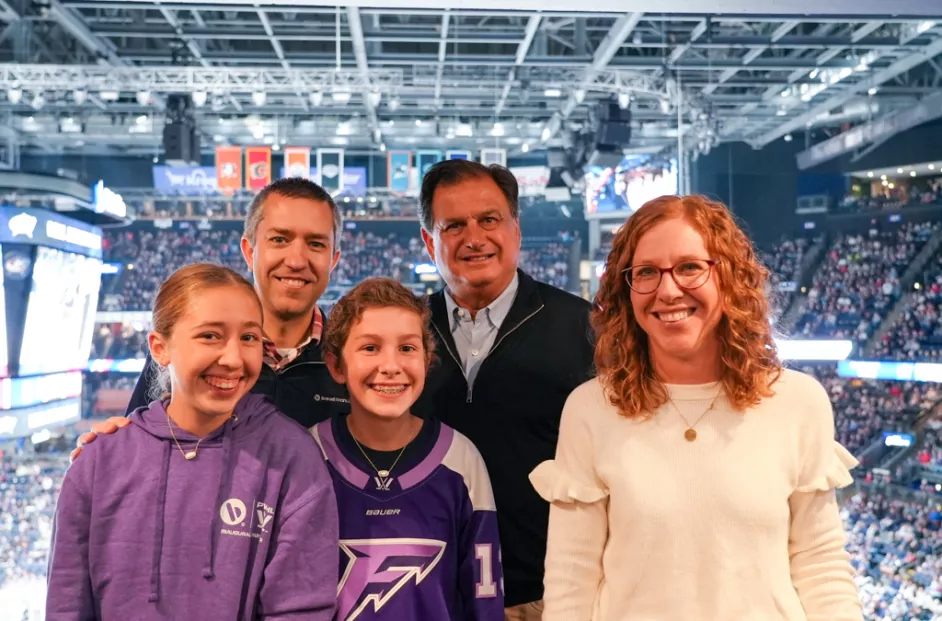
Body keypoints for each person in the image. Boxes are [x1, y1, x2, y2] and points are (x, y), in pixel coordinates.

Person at [530, 195, 863, 621]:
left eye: (689, 267)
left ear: (729, 277)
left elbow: (820, 564)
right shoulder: (591, 409)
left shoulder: (799, 402)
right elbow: (571, 581)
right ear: (625, 291)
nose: (668, 291)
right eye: (646, 272)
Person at [47, 264, 338, 620]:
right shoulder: (98, 463)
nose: (233, 359)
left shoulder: (292, 458)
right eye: (210, 336)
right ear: (160, 347)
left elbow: (301, 609)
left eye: (249, 338)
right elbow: (66, 605)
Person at [412, 160, 595, 620]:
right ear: (430, 242)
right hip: (428, 594)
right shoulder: (404, 331)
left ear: (515, 229)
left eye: (489, 220)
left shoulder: (585, 328)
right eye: (454, 225)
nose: (474, 238)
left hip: (544, 598)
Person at [74, 177, 349, 456]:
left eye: (316, 244)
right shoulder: (186, 349)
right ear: (249, 251)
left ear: (333, 260)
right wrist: (111, 450)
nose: (296, 260)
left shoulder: (351, 360)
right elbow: (138, 440)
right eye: (279, 239)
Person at [312, 277, 504, 620]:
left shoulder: (460, 460)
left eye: (407, 348)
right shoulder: (308, 455)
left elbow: (484, 600)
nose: (391, 366)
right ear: (336, 365)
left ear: (427, 362)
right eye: (370, 348)